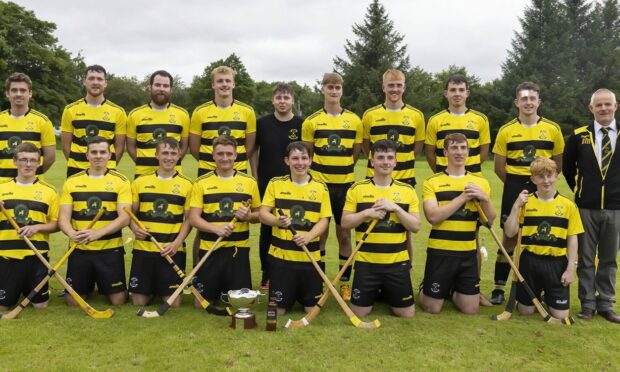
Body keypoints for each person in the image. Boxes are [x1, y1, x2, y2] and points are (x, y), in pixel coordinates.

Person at [491, 82, 564, 304]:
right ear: (517, 102)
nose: (528, 102)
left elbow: (558, 165)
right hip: (514, 185)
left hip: (542, 186)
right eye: (524, 98)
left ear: (539, 102)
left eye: (532, 98)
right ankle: (499, 286)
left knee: (539, 235)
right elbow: (498, 167)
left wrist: (541, 184)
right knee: (509, 237)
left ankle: (539, 286)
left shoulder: (552, 129)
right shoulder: (506, 130)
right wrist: (516, 185)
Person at [341, 139, 420, 318]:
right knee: (359, 313)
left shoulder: (407, 190)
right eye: (381, 157)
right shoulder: (357, 189)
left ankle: (385, 291)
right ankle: (378, 291)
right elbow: (345, 223)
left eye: (390, 157)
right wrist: (367, 213)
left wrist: (397, 209)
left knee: (406, 314)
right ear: (372, 161)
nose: (385, 161)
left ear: (395, 161)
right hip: (367, 264)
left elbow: (415, 226)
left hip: (397, 264)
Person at [301, 72, 363, 300]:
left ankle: (344, 283)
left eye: (337, 87)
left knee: (345, 235)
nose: (333, 91)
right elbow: (308, 153)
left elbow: (355, 154)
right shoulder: (312, 121)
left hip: (345, 186)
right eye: (329, 87)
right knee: (321, 235)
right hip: (320, 187)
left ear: (342, 90)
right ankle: (320, 280)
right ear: (322, 89)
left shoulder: (355, 120)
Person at [419, 133, 495, 314]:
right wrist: (463, 197)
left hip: (467, 253)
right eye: (454, 148)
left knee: (470, 309)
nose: (459, 152)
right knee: (432, 308)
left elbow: (489, 221)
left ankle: (452, 288)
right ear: (445, 152)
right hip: (440, 250)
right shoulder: (432, 182)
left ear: (468, 152)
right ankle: (426, 287)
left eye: (463, 148)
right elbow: (433, 217)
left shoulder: (481, 183)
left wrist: (484, 198)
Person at [189, 65, 256, 266]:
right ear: (213, 85)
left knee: (237, 222)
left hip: (238, 175)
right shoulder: (200, 112)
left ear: (233, 84)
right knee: (204, 226)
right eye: (220, 81)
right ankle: (197, 273)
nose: (224, 84)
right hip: (207, 173)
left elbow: (249, 146)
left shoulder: (246, 111)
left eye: (227, 81)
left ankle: (233, 269)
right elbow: (194, 148)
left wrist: (231, 164)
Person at [563, 88, 620, 323]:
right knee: (585, 258)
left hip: (616, 209)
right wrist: (581, 192)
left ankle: (606, 303)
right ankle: (587, 304)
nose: (604, 108)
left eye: (608, 104)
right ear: (591, 108)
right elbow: (568, 168)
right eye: (599, 105)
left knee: (609, 259)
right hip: (586, 208)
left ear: (616, 106)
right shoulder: (579, 136)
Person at [504, 157, 583, 319]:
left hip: (556, 263)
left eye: (549, 175)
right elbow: (510, 232)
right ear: (533, 179)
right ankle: (534, 297)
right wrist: (515, 207)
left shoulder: (568, 205)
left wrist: (570, 269)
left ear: (556, 176)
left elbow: (573, 239)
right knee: (525, 311)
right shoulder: (525, 203)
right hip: (529, 261)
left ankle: (548, 297)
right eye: (540, 176)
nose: (546, 180)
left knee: (561, 315)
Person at [259, 141, 331, 314]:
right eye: (295, 158)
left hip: (309, 257)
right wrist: (277, 221)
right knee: (278, 311)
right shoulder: (276, 183)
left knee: (311, 310)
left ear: (310, 160)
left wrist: (309, 236)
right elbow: (263, 214)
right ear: (286, 161)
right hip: (281, 258)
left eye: (304, 158)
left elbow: (324, 220)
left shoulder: (320, 187)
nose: (300, 162)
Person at [188, 135, 260, 308]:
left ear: (236, 155)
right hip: (210, 250)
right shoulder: (201, 183)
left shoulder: (249, 183)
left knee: (243, 303)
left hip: (238, 251)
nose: (225, 158)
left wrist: (248, 216)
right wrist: (216, 229)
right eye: (220, 154)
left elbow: (260, 216)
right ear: (213, 155)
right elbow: (193, 218)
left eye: (229, 154)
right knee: (201, 304)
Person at [362, 69, 425, 265]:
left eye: (398, 85)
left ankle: (405, 270)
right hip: (374, 181)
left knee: (405, 231)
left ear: (404, 87)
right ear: (383, 87)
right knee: (374, 227)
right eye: (391, 85)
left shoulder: (416, 115)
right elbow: (366, 147)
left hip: (405, 180)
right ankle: (373, 269)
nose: (395, 89)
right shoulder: (370, 115)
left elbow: (417, 148)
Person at [58, 136, 131, 306]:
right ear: (87, 155)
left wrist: (98, 233)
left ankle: (106, 285)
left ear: (109, 155)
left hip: (110, 249)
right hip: (80, 249)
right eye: (94, 152)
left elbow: (125, 217)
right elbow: (63, 218)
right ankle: (85, 286)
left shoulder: (121, 181)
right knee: (72, 302)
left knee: (118, 300)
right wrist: (71, 233)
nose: (98, 156)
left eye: (102, 152)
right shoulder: (72, 182)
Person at [250, 83, 304, 289]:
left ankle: (293, 269)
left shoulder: (300, 123)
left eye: (286, 98)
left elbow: (306, 153)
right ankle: (267, 273)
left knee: (293, 225)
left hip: (294, 185)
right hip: (267, 183)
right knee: (268, 228)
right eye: (279, 98)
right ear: (273, 100)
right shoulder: (262, 123)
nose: (282, 101)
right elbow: (253, 150)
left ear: (292, 100)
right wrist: (255, 175)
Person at [128, 137, 193, 307]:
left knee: (174, 304)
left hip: (172, 250)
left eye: (173, 153)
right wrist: (135, 228)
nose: (169, 157)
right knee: (138, 302)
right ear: (156, 155)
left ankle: (160, 288)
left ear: (179, 155)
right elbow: (130, 214)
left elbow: (189, 220)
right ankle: (152, 289)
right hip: (144, 249)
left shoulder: (187, 185)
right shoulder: (140, 182)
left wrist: (176, 243)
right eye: (165, 153)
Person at [0, 143, 59, 311]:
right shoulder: (1, 189)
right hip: (6, 256)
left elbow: (57, 225)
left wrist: (37, 228)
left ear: (39, 162)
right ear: (14, 162)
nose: (28, 164)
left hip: (37, 257)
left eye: (32, 160)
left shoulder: (50, 191)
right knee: (2, 306)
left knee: (40, 306)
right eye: (23, 160)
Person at [61, 65, 127, 177]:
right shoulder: (70, 110)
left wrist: (107, 164)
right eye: (91, 78)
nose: (95, 82)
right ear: (84, 82)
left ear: (105, 83)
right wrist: (77, 164)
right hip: (76, 170)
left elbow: (120, 148)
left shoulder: (118, 112)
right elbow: (65, 145)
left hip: (107, 171)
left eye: (99, 79)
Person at [126, 70, 190, 178]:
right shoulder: (135, 114)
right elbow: (130, 146)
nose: (161, 89)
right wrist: (143, 162)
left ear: (171, 89)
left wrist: (172, 161)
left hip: (174, 177)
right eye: (157, 85)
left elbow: (184, 146)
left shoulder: (182, 114)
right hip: (143, 176)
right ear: (150, 87)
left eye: (165, 86)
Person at [425, 74, 490, 175]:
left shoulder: (481, 119)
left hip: (472, 180)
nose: (457, 93)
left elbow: (484, 153)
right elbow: (429, 154)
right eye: (453, 90)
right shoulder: (435, 120)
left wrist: (468, 171)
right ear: (446, 93)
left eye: (461, 90)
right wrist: (442, 173)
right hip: (443, 181)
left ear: (467, 93)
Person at [0, 73, 55, 182]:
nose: (18, 94)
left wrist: (33, 173)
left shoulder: (43, 121)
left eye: (23, 90)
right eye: (14, 90)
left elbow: (50, 158)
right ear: (7, 93)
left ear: (30, 93)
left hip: (32, 187)